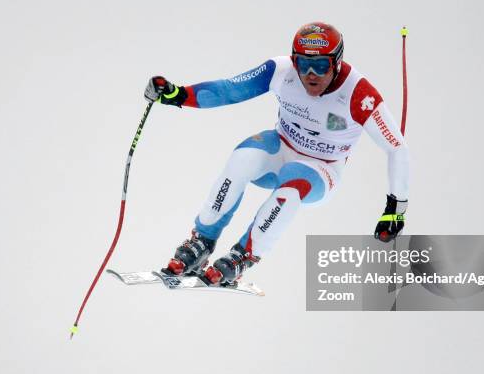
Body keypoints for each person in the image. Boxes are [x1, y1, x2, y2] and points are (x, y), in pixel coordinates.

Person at [144, 22, 409, 285]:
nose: (311, 74)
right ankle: (202, 241)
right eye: (303, 65)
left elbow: (396, 147)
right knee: (243, 157)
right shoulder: (281, 70)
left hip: (321, 169)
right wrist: (176, 95)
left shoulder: (358, 93)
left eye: (322, 66)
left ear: (337, 62)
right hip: (280, 148)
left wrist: (395, 210)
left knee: (294, 180)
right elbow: (229, 90)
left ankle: (244, 255)